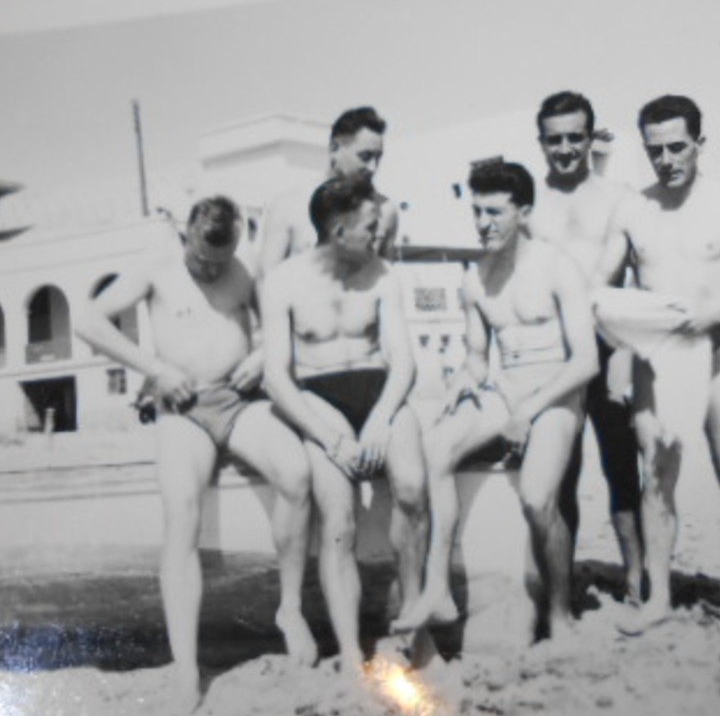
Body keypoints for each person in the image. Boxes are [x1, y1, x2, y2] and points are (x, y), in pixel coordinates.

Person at [76, 195, 319, 714]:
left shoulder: (247, 265)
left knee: (297, 475)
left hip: (238, 400)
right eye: (202, 260)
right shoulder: (157, 261)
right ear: (185, 234)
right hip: (181, 407)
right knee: (182, 512)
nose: (211, 270)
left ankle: (290, 609)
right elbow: (89, 321)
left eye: (220, 261)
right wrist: (152, 367)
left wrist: (261, 354)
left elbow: (287, 319)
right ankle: (186, 668)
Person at [594, 94, 720, 630]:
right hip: (656, 357)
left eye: (678, 147)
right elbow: (599, 290)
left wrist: (716, 311)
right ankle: (658, 599)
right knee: (656, 477)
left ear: (700, 144)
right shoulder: (632, 209)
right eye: (656, 150)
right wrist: (622, 347)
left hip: (719, 348)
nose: (667, 159)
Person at [395, 161, 597, 642]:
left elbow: (586, 361)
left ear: (523, 212)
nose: (483, 223)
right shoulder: (476, 279)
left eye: (495, 212)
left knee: (536, 498)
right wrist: (464, 381)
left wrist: (528, 412)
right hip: (505, 392)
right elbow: (479, 359)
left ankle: (560, 613)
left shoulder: (557, 266)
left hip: (558, 393)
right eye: (477, 212)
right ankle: (439, 587)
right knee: (434, 448)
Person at [260, 175, 429, 673]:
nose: (380, 236)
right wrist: (333, 439)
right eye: (371, 227)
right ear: (338, 230)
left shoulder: (383, 275)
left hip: (381, 393)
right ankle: (353, 654)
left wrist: (378, 423)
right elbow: (277, 378)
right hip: (320, 400)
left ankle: (415, 626)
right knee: (338, 520)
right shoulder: (284, 283)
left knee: (413, 488)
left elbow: (403, 363)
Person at [528, 91, 645, 602]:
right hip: (554, 355)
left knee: (622, 470)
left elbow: (632, 279)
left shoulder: (619, 198)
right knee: (561, 475)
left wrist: (625, 353)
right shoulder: (531, 203)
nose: (566, 148)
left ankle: (639, 579)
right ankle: (561, 587)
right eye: (555, 139)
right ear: (541, 143)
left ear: (590, 137)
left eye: (576, 137)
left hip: (610, 345)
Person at [259, 106, 400, 274]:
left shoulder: (386, 210)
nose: (373, 168)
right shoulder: (288, 206)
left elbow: (387, 278)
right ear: (334, 148)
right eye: (365, 157)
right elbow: (266, 280)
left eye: (378, 158)